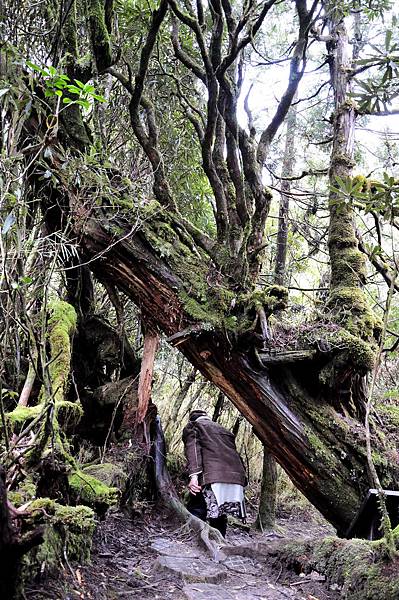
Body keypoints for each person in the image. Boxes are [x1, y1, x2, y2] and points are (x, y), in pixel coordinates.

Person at [182, 409, 247, 537]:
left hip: (212, 477)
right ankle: (219, 541)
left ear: (192, 419)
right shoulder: (224, 431)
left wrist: (194, 477)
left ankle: (195, 540)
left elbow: (193, 451)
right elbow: (235, 455)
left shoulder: (194, 426)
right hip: (235, 478)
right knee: (220, 513)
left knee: (197, 508)